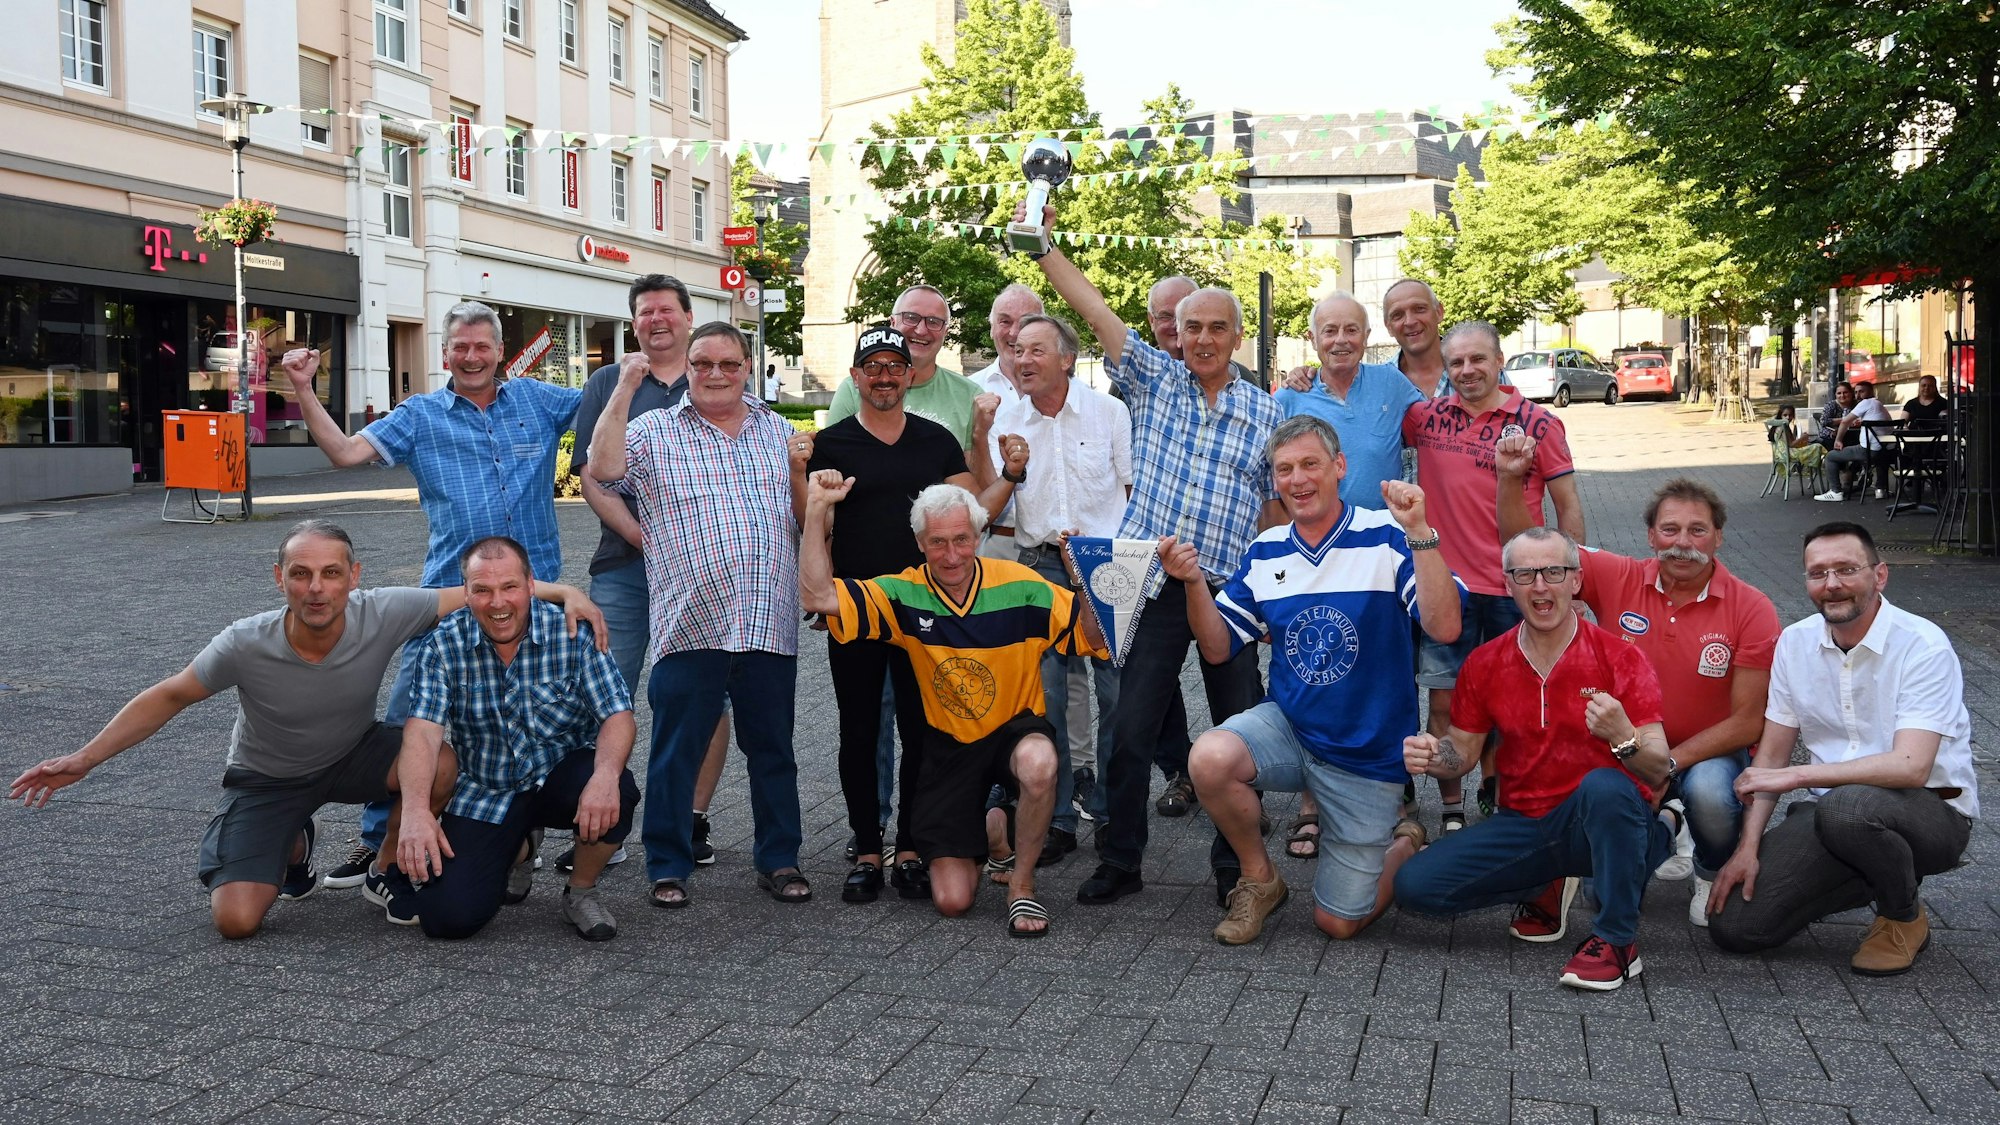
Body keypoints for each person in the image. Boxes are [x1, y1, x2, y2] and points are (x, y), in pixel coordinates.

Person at [7, 521, 602, 936]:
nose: (316, 589)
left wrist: (565, 590)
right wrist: (86, 758)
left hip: (353, 756)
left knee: (438, 759)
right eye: (301, 574)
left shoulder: (382, 609)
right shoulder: (245, 640)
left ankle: (387, 867)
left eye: (330, 573)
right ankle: (294, 845)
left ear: (352, 575)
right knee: (236, 921)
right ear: (280, 578)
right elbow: (169, 695)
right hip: (267, 777)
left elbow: (480, 593)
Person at [1022, 199, 1284, 906]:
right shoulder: (1155, 381)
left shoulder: (1268, 413)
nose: (1200, 338)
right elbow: (1096, 308)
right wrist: (1043, 245)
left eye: (1215, 328)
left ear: (1237, 335)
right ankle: (1122, 859)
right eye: (1190, 326)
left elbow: (1273, 502)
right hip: (1151, 584)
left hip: (1228, 591)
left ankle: (1235, 868)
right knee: (1130, 727)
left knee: (1237, 733)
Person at [281, 301, 582, 892]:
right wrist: (301, 388)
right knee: (409, 715)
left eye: (481, 346)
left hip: (536, 592)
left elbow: (612, 410)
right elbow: (344, 454)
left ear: (500, 351)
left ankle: (529, 838)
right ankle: (380, 843)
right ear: (444, 353)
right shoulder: (419, 416)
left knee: (541, 714)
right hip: (449, 594)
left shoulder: (543, 402)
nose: (470, 357)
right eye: (459, 347)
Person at [1176, 416, 1465, 945]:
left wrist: (1420, 532)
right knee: (1209, 758)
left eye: (1310, 464)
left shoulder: (1386, 535)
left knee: (1338, 923)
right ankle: (1259, 879)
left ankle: (1403, 839)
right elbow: (1218, 648)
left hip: (1368, 754)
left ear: (1339, 467)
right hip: (1291, 728)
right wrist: (1194, 581)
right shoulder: (1267, 550)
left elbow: (1445, 626)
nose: (1297, 479)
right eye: (1284, 469)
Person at [800, 477, 1110, 937]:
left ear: (980, 537)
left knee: (1039, 763)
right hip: (949, 746)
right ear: (920, 544)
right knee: (952, 900)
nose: (951, 555)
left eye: (962, 540)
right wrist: (815, 509)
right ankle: (995, 831)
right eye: (938, 543)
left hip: (1014, 730)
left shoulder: (1024, 586)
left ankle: (1022, 884)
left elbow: (1095, 639)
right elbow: (816, 597)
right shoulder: (903, 593)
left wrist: (1084, 581)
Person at [795, 324, 1025, 904]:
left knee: (924, 730)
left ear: (910, 375)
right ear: (855, 377)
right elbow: (810, 524)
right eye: (871, 366)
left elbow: (972, 512)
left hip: (926, 611)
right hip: (856, 607)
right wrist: (803, 477)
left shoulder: (935, 441)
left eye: (894, 366)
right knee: (859, 729)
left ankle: (912, 846)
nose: (884, 376)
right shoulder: (833, 443)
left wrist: (1010, 474)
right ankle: (867, 847)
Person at [1500, 462, 1780, 925]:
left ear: (1718, 538)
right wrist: (1511, 478)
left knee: (1710, 794)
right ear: (1651, 536)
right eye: (1669, 529)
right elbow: (1527, 550)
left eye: (1697, 530)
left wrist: (1665, 765)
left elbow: (1748, 723)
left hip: (1706, 753)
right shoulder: (1619, 576)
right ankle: (1666, 824)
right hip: (1622, 745)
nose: (1682, 543)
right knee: (1600, 895)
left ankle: (1709, 868)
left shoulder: (1753, 607)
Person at [588, 322, 809, 909]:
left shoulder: (779, 430)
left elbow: (807, 514)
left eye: (729, 364)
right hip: (690, 622)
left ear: (747, 366)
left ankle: (780, 859)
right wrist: (624, 386)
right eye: (704, 363)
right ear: (687, 367)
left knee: (774, 751)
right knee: (675, 750)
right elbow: (603, 470)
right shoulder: (654, 429)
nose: (716, 374)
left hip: (768, 620)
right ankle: (666, 862)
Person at [1395, 527, 1673, 992]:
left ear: (1576, 581)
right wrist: (1430, 756)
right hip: (1525, 823)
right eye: (1524, 574)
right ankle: (1544, 882)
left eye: (1553, 572)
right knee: (1417, 889)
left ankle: (1618, 940)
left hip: (1601, 822)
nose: (1540, 585)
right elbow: (1461, 752)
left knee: (1604, 787)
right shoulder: (1485, 663)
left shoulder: (1619, 658)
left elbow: (1660, 766)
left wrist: (1623, 737)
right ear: (1507, 585)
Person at [1708, 522, 1975, 976]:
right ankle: (1872, 869)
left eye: (1846, 569)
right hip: (1837, 814)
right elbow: (1771, 757)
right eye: (1817, 573)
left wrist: (1798, 776)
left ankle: (1902, 917)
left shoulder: (1923, 645)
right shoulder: (1795, 643)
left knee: (1847, 809)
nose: (1831, 584)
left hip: (1933, 813)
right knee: (1735, 928)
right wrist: (1746, 849)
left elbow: (1911, 766)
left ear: (1880, 575)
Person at [397, 538, 640, 941]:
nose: (498, 603)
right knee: (446, 921)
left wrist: (606, 775)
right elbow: (422, 734)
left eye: (509, 587)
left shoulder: (573, 632)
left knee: (619, 788)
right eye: (482, 590)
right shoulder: (442, 644)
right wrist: (417, 811)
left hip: (559, 777)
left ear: (531, 584)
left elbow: (617, 713)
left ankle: (580, 890)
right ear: (466, 592)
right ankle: (521, 847)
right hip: (486, 790)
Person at [569, 276, 731, 872]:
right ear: (634, 323)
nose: (656, 320)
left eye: (667, 310)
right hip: (625, 568)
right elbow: (591, 474)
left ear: (689, 318)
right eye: (645, 313)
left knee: (705, 698)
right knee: (603, 690)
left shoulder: (716, 374)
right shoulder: (609, 382)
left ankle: (690, 819)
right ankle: (597, 823)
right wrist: (646, 538)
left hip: (707, 573)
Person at [1404, 321, 1585, 822]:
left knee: (1514, 702)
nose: (1467, 370)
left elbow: (1567, 503)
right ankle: (1450, 806)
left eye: (1477, 359)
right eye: (1456, 362)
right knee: (1445, 700)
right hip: (1448, 588)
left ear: (1499, 360)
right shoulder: (1424, 418)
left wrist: (1576, 574)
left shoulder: (1538, 423)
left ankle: (1502, 791)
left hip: (1518, 587)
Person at [1271, 294, 1426, 854]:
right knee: (1315, 674)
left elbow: (1440, 403)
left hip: (1381, 558)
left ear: (1367, 336)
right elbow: (1275, 478)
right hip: (1311, 556)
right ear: (1313, 338)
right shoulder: (1289, 395)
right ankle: (1312, 802)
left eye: (1351, 330)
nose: (1340, 339)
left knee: (1392, 677)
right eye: (1329, 330)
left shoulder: (1391, 385)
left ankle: (1397, 792)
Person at [987, 312, 1132, 866]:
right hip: (1039, 566)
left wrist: (1105, 553)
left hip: (1107, 564)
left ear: (1067, 358)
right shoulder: (1008, 422)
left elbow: (1129, 488)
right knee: (1045, 699)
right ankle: (1058, 820)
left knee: (1118, 693)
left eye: (1036, 351)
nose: (1022, 360)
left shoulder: (1109, 411)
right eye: (1018, 351)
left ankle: (1114, 814)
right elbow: (990, 496)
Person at [827, 285, 986, 450]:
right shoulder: (854, 388)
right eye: (911, 317)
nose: (921, 330)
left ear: (945, 332)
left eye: (934, 322)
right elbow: (829, 459)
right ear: (893, 322)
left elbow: (973, 473)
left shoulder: (969, 395)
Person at [970, 284, 1045, 560]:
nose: (1014, 333)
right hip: (993, 545)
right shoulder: (970, 392)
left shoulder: (1070, 393)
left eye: (1026, 322)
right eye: (1005, 322)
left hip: (1056, 550)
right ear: (991, 328)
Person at [1818, 379, 1892, 500]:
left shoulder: (1866, 403)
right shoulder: (1878, 404)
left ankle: (1836, 492)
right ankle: (1880, 489)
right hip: (1886, 450)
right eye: (1856, 392)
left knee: (1831, 456)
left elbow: (1845, 422)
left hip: (1868, 450)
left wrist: (1838, 440)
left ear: (1871, 392)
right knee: (1877, 456)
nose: (1858, 395)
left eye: (1861, 392)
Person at [1812, 381, 1857, 450]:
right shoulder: (1831, 405)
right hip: (1831, 436)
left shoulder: (1857, 405)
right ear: (1835, 395)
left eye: (1845, 392)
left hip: (1853, 434)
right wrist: (1845, 420)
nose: (1842, 395)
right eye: (1839, 393)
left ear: (1851, 393)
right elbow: (1823, 421)